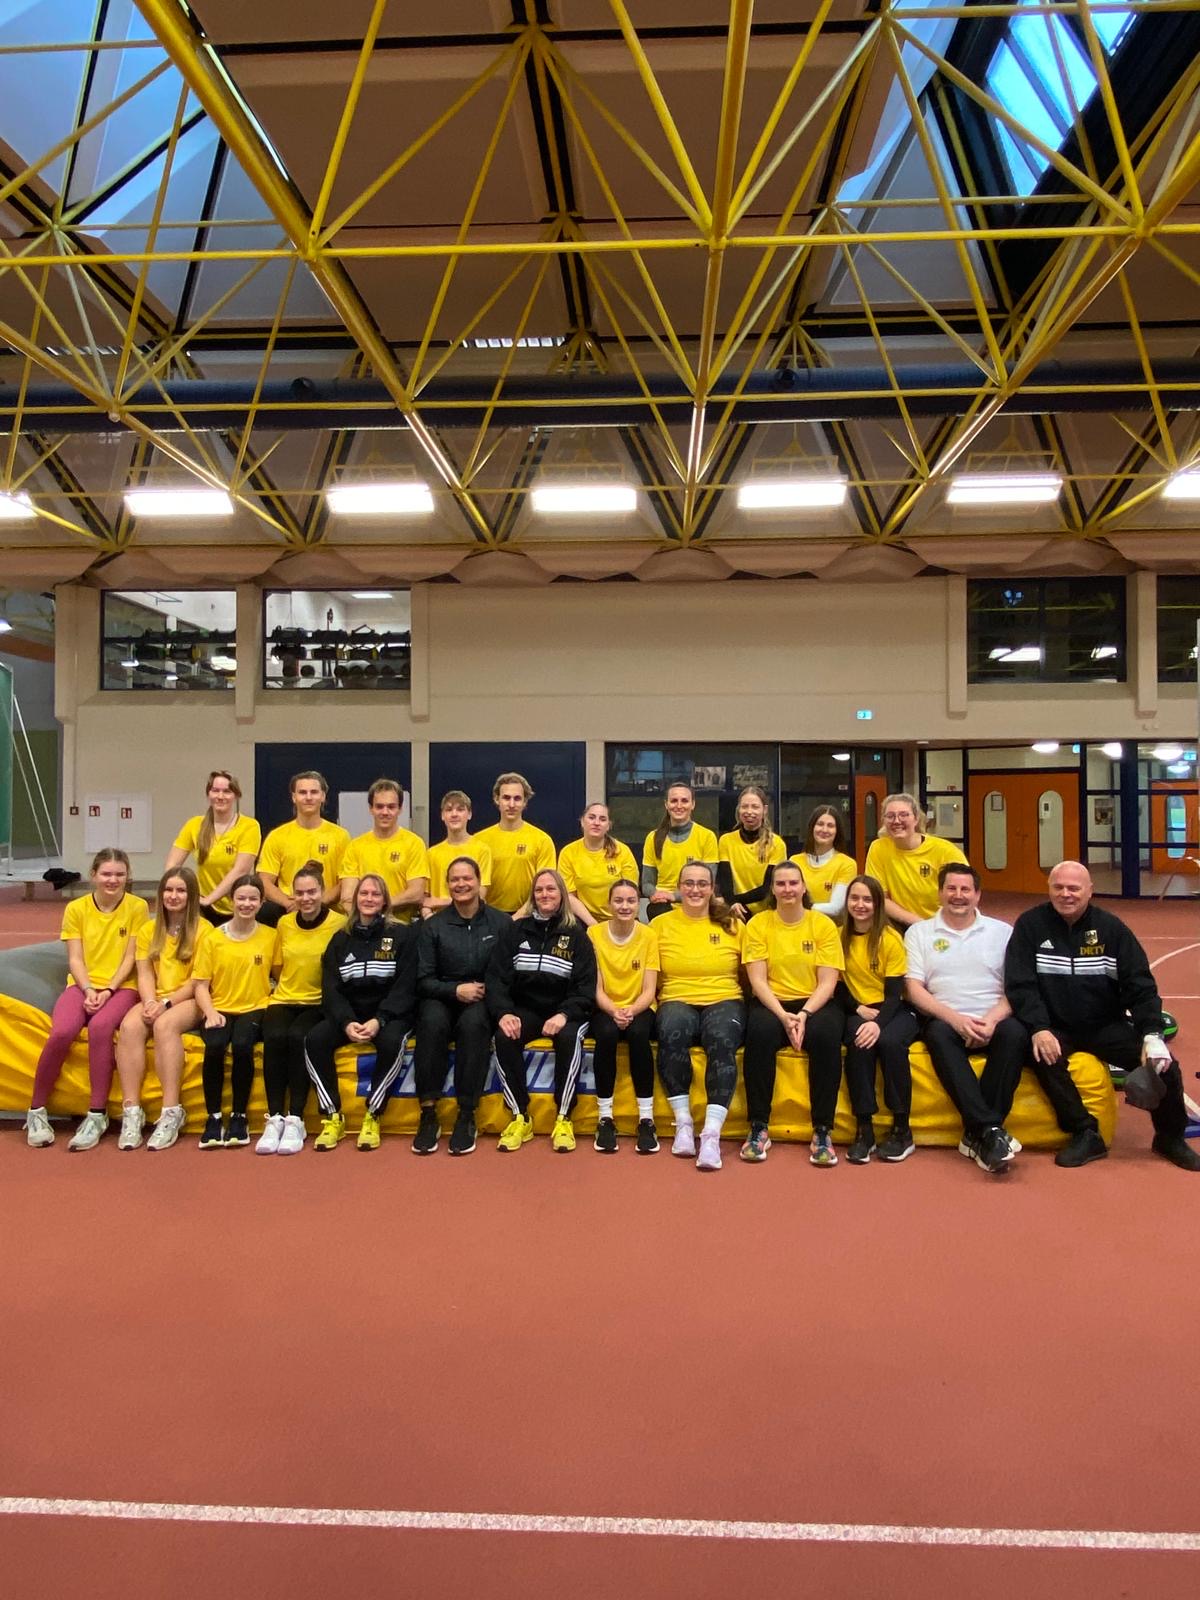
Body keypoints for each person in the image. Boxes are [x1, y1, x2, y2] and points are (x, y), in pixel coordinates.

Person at [1004, 860, 1200, 1171]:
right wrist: (1039, 1027)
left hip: (1105, 1025)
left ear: (1089, 891)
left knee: (1165, 1067)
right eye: (1059, 887)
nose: (1066, 894)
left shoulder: (1112, 929)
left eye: (1074, 888)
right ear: (1049, 889)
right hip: (1054, 1027)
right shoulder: (1030, 926)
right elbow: (1020, 984)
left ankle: (1169, 1137)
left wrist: (1152, 1035)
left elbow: (1140, 984)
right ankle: (1085, 1132)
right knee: (1042, 1057)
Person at [904, 864, 1027, 1175]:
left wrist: (991, 1020)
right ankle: (990, 1131)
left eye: (965, 889)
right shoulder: (919, 933)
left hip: (993, 1018)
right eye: (951, 889)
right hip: (945, 1019)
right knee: (937, 1033)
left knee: (1015, 1033)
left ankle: (980, 1135)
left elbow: (1017, 988)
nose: (958, 896)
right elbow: (913, 989)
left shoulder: (1002, 932)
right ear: (940, 893)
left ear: (978, 895)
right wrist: (957, 1020)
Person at [25, 848, 150, 1151]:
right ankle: (36, 1110)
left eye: (119, 874)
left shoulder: (137, 907)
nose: (113, 880)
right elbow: (75, 959)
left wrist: (108, 990)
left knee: (101, 1028)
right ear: (93, 875)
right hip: (83, 986)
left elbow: (131, 958)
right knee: (61, 1032)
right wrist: (88, 988)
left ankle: (96, 1113)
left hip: (121, 987)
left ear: (128, 877)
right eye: (106, 874)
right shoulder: (76, 908)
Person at [304, 874, 418, 1152]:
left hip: (388, 1017)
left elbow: (406, 986)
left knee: (392, 1043)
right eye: (364, 894)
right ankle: (332, 1116)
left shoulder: (402, 935)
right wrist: (346, 1022)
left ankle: (373, 1114)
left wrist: (380, 1019)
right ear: (355, 900)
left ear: (385, 901)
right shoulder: (340, 939)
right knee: (314, 1040)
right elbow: (331, 988)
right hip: (350, 1017)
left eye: (376, 894)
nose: (369, 899)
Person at [741, 860, 844, 1166]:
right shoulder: (758, 924)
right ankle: (758, 1126)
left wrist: (805, 1014)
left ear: (803, 887)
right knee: (759, 1033)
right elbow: (758, 981)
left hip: (815, 1002)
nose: (787, 889)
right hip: (772, 1001)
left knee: (826, 1036)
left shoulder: (822, 925)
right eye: (781, 884)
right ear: (772, 890)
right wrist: (783, 1015)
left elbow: (828, 982)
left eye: (793, 883)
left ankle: (822, 1129)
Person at [486, 868, 596, 1153]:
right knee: (504, 1036)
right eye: (539, 890)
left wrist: (564, 1014)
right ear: (532, 896)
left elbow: (585, 989)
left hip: (566, 1012)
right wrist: (504, 1012)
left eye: (551, 889)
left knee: (569, 1037)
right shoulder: (514, 931)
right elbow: (496, 979)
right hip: (526, 1009)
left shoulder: (577, 935)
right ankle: (520, 1116)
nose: (545, 895)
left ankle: (564, 1117)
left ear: (562, 895)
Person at [413, 855, 510, 1156]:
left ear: (479, 882)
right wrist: (455, 990)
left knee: (473, 1025)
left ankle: (466, 1114)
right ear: (447, 885)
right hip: (443, 995)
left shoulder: (501, 923)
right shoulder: (433, 926)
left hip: (482, 998)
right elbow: (423, 980)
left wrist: (484, 991)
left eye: (467, 878)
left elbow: (508, 973)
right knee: (430, 1022)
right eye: (454, 879)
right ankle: (428, 1114)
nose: (461, 884)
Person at [653, 861, 745, 1171]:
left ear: (712, 889)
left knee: (721, 1037)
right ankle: (683, 1123)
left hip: (725, 998)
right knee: (671, 1029)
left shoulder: (732, 924)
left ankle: (711, 1134)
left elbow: (748, 974)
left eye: (702, 884)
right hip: (676, 997)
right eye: (689, 883)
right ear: (679, 888)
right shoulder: (660, 926)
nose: (695, 889)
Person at [114, 866, 211, 1152]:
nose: (173, 896)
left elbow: (198, 980)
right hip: (156, 998)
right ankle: (131, 1110)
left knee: (164, 1025)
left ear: (191, 895)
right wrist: (149, 1002)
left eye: (181, 890)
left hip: (192, 997)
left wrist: (166, 1004)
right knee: (130, 1026)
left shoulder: (204, 931)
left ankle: (171, 1111)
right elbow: (144, 973)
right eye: (168, 890)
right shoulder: (148, 930)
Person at [257, 861, 344, 1155]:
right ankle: (274, 1118)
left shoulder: (338, 923)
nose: (306, 898)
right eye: (300, 893)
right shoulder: (284, 924)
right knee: (274, 1037)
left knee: (298, 1038)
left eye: (312, 892)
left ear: (322, 892)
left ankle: (295, 1118)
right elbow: (278, 966)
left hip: (318, 1002)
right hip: (284, 998)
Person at [834, 874, 919, 1163]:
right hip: (858, 1008)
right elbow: (836, 985)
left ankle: (902, 1128)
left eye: (867, 900)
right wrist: (858, 1009)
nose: (860, 905)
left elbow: (895, 994)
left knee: (891, 1043)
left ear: (878, 904)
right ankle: (864, 1129)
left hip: (893, 1009)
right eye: (854, 898)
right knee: (860, 1044)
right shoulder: (837, 936)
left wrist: (877, 1023)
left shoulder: (890, 939)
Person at [192, 873, 275, 1149]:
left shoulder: (271, 936)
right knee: (215, 1046)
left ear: (262, 902)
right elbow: (200, 985)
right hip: (220, 1007)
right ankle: (213, 1117)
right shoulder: (213, 938)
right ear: (231, 901)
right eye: (241, 898)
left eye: (253, 899)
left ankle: (239, 1117)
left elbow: (279, 975)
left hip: (255, 1008)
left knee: (242, 1045)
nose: (247, 904)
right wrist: (210, 1013)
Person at [589, 878, 660, 1154]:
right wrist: (613, 1010)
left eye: (631, 901)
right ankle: (605, 1117)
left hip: (639, 1006)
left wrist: (631, 1010)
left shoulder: (648, 935)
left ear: (638, 904)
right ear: (609, 904)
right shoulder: (593, 934)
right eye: (618, 900)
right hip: (605, 1006)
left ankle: (646, 1119)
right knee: (606, 1034)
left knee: (639, 1034)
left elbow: (649, 989)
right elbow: (595, 987)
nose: (624, 906)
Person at [164, 770, 261, 925]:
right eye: (215, 790)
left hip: (236, 906)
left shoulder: (249, 826)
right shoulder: (194, 825)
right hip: (202, 907)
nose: (220, 796)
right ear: (208, 794)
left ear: (236, 795)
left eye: (227, 791)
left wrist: (210, 899)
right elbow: (172, 866)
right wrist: (182, 892)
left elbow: (241, 870)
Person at [258, 769, 350, 924]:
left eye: (314, 792)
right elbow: (264, 881)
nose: (308, 797)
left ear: (323, 796)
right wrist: (289, 903)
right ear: (294, 797)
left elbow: (345, 881)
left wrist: (318, 903)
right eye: (302, 792)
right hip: (289, 913)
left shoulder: (341, 836)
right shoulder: (277, 836)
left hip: (329, 914)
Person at [865, 792, 967, 927]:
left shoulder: (946, 851)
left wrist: (937, 927)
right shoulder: (878, 848)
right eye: (890, 816)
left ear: (916, 818)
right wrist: (919, 925)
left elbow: (965, 894)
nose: (897, 821)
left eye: (903, 815)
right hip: (901, 922)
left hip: (942, 923)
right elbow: (880, 897)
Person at [339, 777, 429, 923]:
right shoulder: (355, 846)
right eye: (379, 806)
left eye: (391, 807)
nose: (385, 812)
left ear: (400, 809)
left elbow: (416, 893)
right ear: (371, 809)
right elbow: (347, 897)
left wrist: (380, 905)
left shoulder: (414, 844)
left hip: (401, 926)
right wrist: (366, 917)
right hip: (363, 925)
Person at [474, 771, 556, 915]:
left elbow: (544, 887)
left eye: (517, 798)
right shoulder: (478, 841)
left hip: (529, 915)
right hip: (488, 916)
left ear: (525, 802)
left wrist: (518, 916)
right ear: (497, 799)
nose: (511, 804)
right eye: (506, 798)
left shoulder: (542, 840)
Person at [641, 782, 720, 921]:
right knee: (657, 911)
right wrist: (657, 895)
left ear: (693, 804)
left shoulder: (707, 837)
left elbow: (708, 883)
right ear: (666, 804)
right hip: (663, 905)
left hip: (696, 900)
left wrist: (674, 896)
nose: (679, 805)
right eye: (673, 801)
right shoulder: (652, 838)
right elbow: (647, 884)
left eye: (684, 801)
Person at [558, 801, 640, 926]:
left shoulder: (622, 851)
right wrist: (593, 925)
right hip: (585, 919)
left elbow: (629, 894)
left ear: (608, 826)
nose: (596, 823)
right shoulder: (568, 853)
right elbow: (569, 896)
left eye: (602, 819)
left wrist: (613, 926)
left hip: (620, 917)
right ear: (582, 822)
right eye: (591, 817)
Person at [718, 784, 786, 918]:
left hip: (768, 914)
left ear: (764, 810)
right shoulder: (726, 841)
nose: (749, 811)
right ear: (738, 809)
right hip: (737, 912)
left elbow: (767, 888)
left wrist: (734, 900)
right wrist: (732, 903)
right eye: (744, 806)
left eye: (755, 807)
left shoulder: (777, 844)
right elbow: (725, 882)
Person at [423, 790, 493, 914]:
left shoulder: (482, 850)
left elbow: (480, 896)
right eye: (449, 810)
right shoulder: (431, 854)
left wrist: (440, 902)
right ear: (442, 815)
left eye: (460, 809)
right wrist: (428, 915)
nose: (454, 814)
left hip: (471, 918)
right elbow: (426, 899)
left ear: (469, 814)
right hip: (438, 919)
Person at [790, 805, 858, 918]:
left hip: (831, 926)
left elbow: (835, 908)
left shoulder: (847, 864)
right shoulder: (794, 861)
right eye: (820, 824)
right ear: (812, 827)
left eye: (830, 826)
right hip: (798, 925)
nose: (824, 830)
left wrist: (801, 907)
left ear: (837, 831)